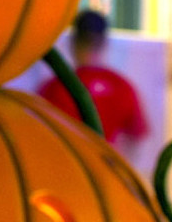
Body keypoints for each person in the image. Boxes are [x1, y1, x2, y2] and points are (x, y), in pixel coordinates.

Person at [37, 10, 147, 161]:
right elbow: (136, 139)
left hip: (67, 171)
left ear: (73, 41)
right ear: (104, 42)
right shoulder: (122, 86)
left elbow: (39, 138)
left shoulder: (54, 88)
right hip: (107, 172)